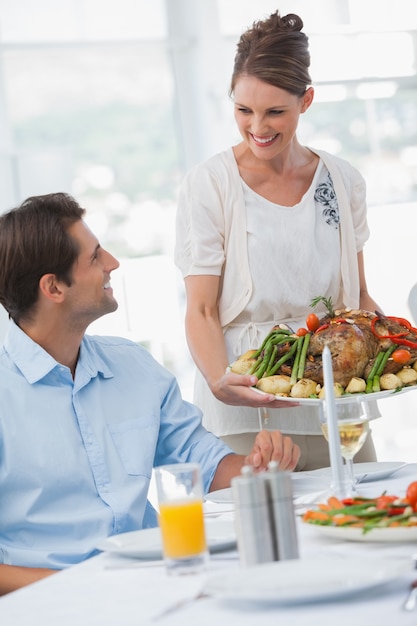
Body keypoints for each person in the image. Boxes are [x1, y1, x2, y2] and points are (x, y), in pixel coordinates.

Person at [0, 192, 300, 595]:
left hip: (159, 582)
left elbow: (207, 464)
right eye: (94, 257)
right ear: (53, 287)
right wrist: (79, 587)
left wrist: (260, 466)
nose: (113, 264)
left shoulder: (133, 368)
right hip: (53, 605)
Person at [174, 9, 381, 471]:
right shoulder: (210, 184)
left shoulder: (342, 180)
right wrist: (216, 379)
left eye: (275, 112)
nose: (258, 128)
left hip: (335, 393)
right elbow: (202, 308)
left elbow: (359, 296)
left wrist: (395, 344)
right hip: (247, 398)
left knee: (361, 521)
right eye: (243, 110)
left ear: (306, 101)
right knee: (268, 533)